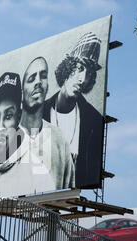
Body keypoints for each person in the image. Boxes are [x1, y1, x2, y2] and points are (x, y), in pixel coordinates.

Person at [43, 32, 104, 189]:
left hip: (70, 200)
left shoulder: (94, 120)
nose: (82, 79)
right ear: (67, 67)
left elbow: (90, 173)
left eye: (89, 73)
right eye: (80, 68)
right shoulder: (40, 112)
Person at [20, 57, 75, 189]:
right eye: (31, 78)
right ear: (21, 93)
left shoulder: (59, 139)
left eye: (43, 76)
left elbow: (70, 193)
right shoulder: (7, 139)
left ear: (47, 87)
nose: (38, 81)